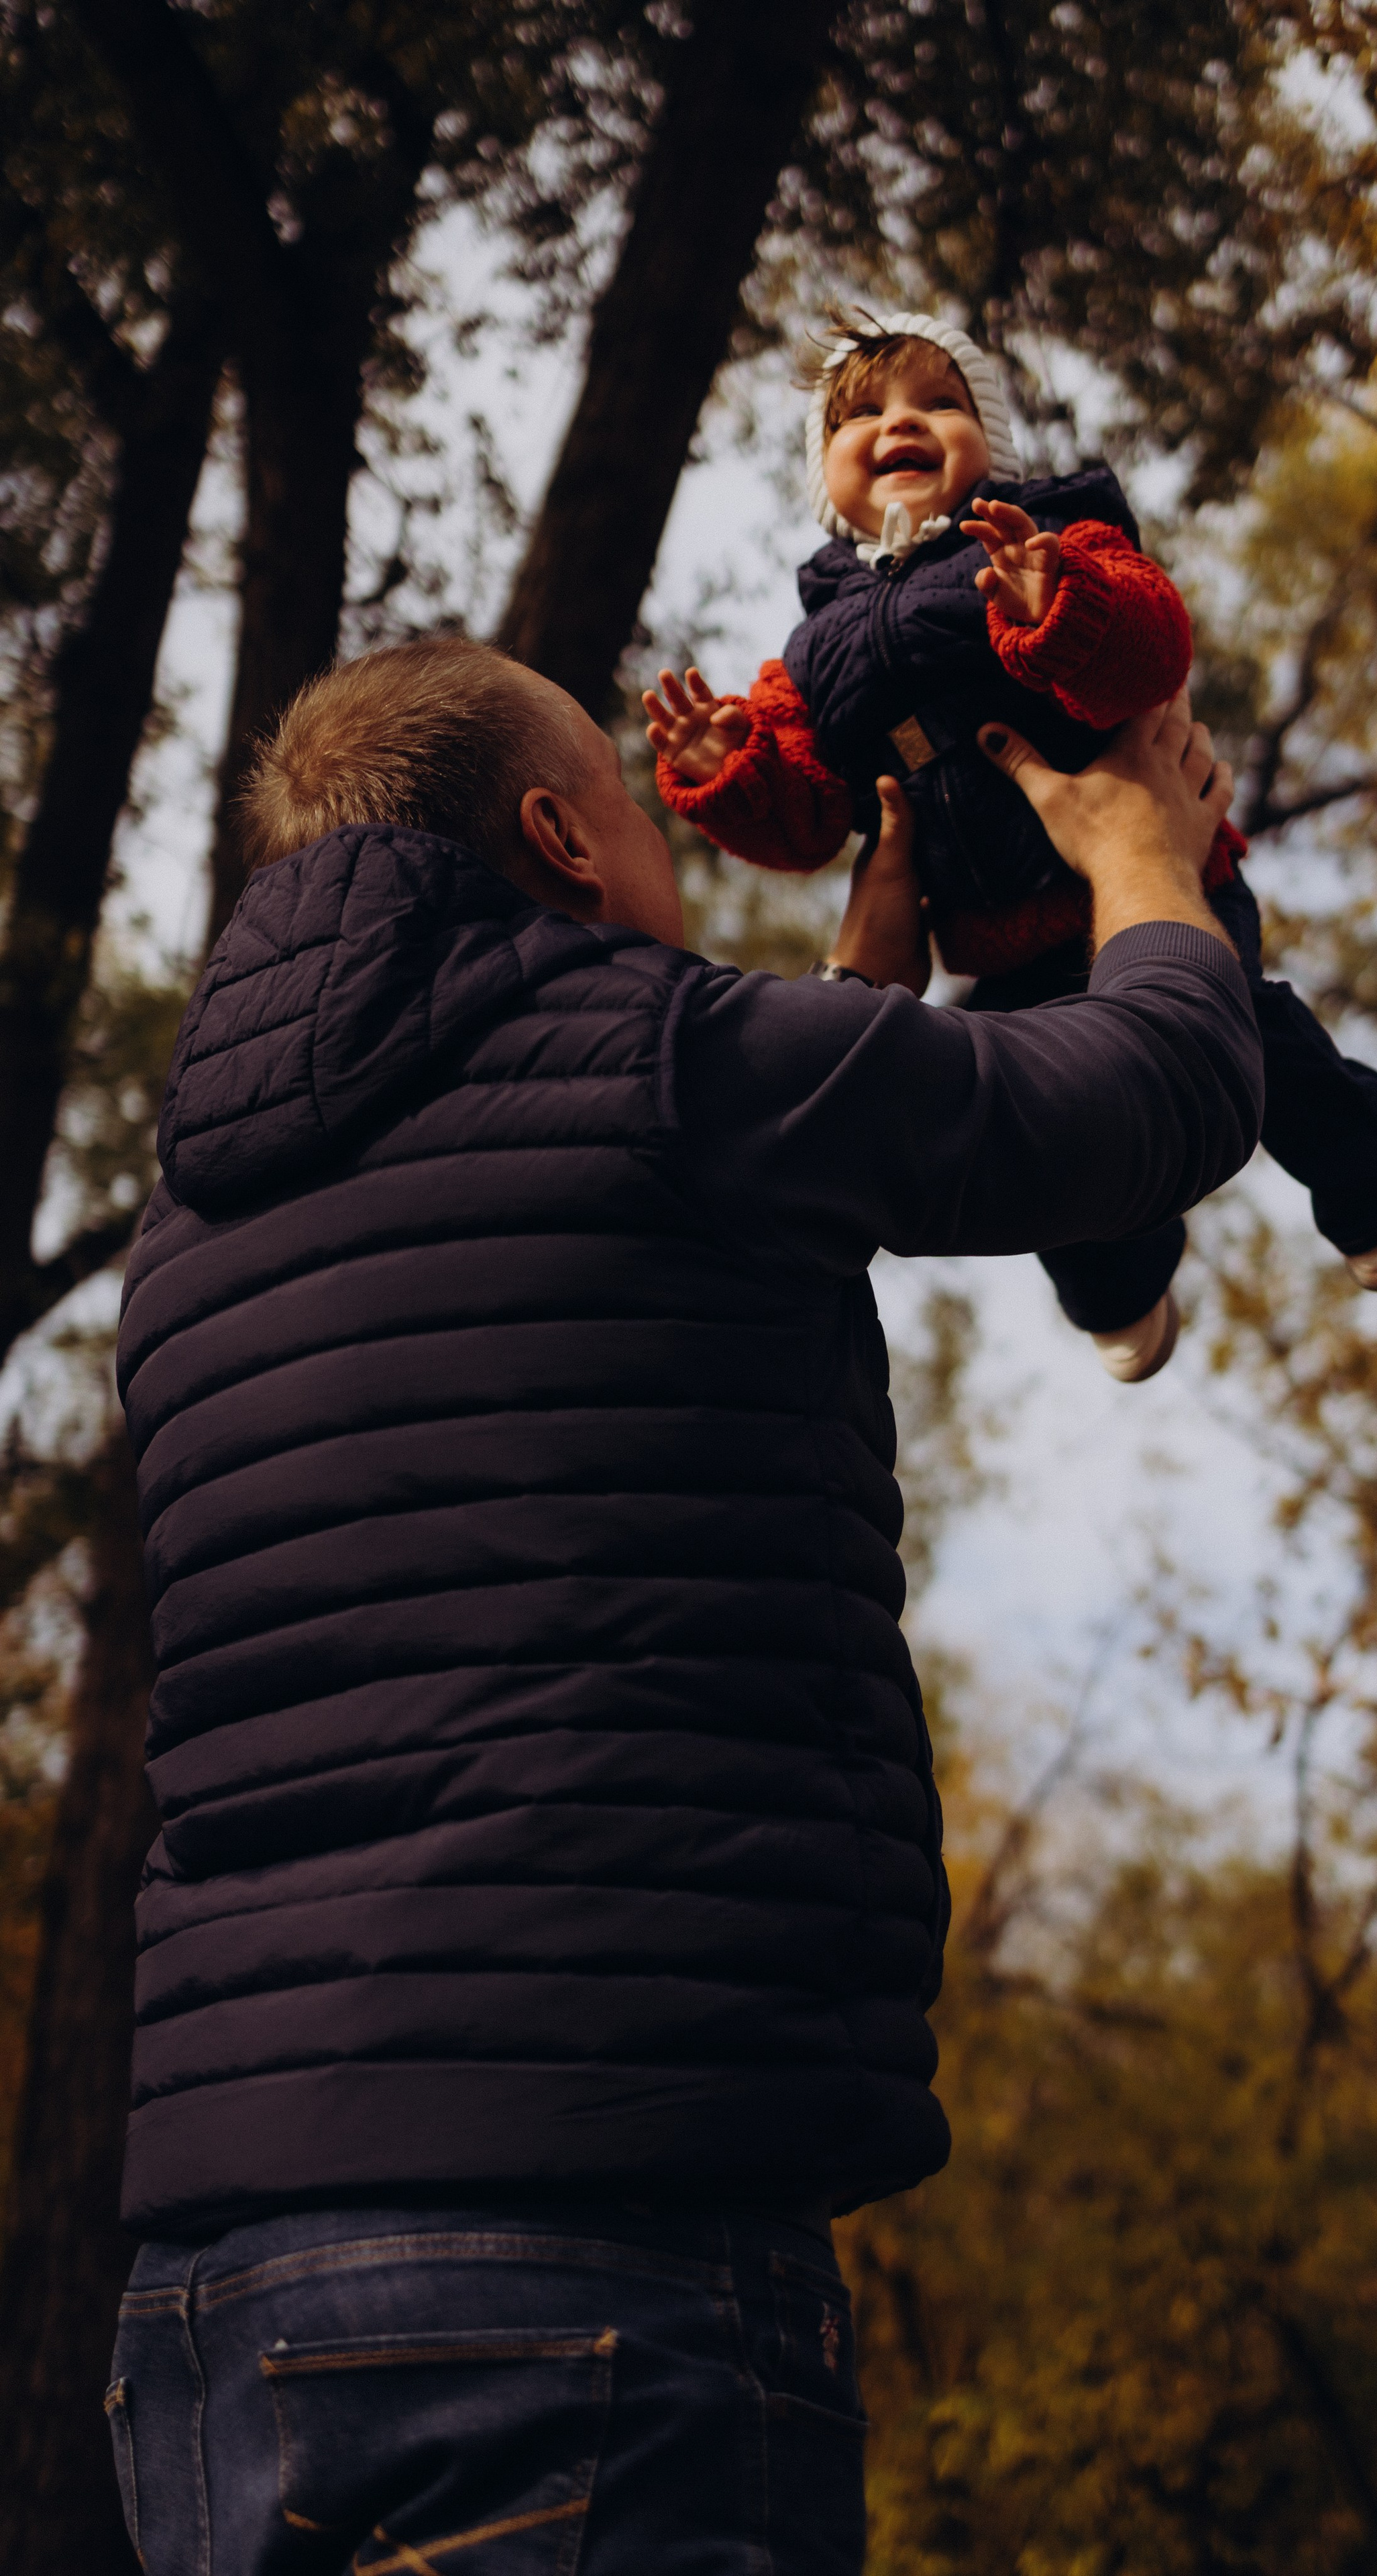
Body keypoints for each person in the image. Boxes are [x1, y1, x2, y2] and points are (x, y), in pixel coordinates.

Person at [107, 633, 1260, 2576]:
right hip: (590, 2260)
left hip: (217, 2310)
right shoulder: (672, 1063)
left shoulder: (191, 1240)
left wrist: (857, 991)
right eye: (635, 814)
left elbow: (603, 1255)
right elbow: (1148, 1094)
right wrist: (1146, 849)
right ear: (559, 832)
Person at [646, 309, 1377, 1385]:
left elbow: (1149, 651)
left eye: (939, 403)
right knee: (1045, 1120)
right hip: (1004, 947)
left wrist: (1058, 602)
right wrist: (730, 769)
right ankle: (1120, 1282)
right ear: (823, 477)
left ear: (993, 448)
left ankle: (1376, 1178)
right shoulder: (812, 651)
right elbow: (811, 821)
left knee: (1254, 1045)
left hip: (1161, 883)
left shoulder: (1047, 536)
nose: (900, 426)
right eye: (863, 416)